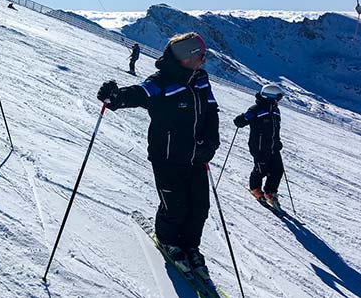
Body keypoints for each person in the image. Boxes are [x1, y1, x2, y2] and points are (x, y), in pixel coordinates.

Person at [97, 32, 219, 278]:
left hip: (197, 158)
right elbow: (139, 93)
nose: (204, 61)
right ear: (187, 57)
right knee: (175, 206)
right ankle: (168, 241)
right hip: (167, 158)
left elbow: (211, 110)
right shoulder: (161, 82)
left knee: (199, 207)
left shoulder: (201, 79)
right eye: (201, 56)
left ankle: (190, 245)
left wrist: (211, 142)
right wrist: (115, 98)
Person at [233, 84, 284, 208]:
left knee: (277, 169)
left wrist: (277, 142)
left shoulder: (276, 111)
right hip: (259, 146)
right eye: (277, 98)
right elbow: (241, 121)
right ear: (270, 97)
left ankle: (270, 192)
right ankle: (255, 188)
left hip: (273, 147)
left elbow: (276, 129)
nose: (278, 101)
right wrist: (241, 120)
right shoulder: (256, 110)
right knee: (261, 169)